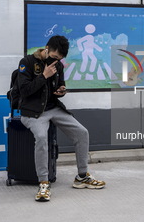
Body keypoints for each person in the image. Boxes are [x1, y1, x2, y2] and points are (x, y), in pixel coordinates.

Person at [17, 35, 105, 202]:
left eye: (60, 59)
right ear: (47, 49)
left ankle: (82, 176)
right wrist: (43, 76)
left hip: (53, 108)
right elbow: (25, 91)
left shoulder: (58, 65)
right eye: (55, 57)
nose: (56, 61)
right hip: (33, 113)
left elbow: (59, 86)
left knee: (82, 132)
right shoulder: (27, 62)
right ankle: (43, 182)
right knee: (42, 137)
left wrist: (61, 90)